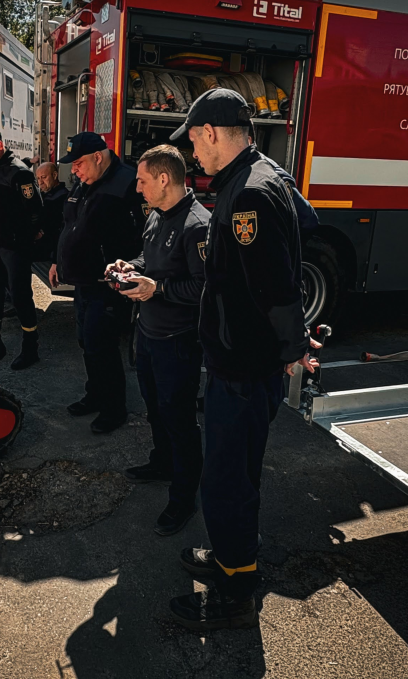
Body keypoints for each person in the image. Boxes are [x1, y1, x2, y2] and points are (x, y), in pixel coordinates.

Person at [166, 88, 318, 631]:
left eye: (194, 144)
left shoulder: (248, 194)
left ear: (210, 132)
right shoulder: (263, 174)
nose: (192, 156)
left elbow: (275, 289)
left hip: (243, 369)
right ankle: (235, 558)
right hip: (246, 364)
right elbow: (308, 224)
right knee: (238, 474)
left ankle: (235, 595)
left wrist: (293, 348)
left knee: (227, 481)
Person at [106, 145, 210, 536]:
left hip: (177, 341)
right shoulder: (157, 216)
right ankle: (162, 462)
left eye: (143, 180)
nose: (137, 188)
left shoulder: (198, 225)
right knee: (155, 407)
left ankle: (184, 497)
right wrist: (127, 267)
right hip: (148, 335)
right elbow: (148, 260)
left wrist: (159, 289)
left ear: (164, 179)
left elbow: (206, 288)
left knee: (179, 418)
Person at [50, 132, 137, 434]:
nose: (74, 170)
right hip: (83, 281)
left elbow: (143, 236)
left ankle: (114, 409)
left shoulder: (128, 182)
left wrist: (127, 276)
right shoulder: (84, 181)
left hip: (108, 283)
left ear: (98, 157)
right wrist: (56, 261)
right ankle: (95, 394)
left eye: (79, 163)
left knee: (103, 345)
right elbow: (70, 223)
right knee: (87, 342)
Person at [0, 127, 43, 370]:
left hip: (15, 249)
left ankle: (30, 347)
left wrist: (23, 240)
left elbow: (35, 210)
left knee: (21, 296)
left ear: (0, 145)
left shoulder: (19, 172)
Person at [34, 162, 69, 261]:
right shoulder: (43, 195)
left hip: (51, 251)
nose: (40, 182)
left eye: (44, 177)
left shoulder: (63, 197)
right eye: (38, 178)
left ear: (54, 175)